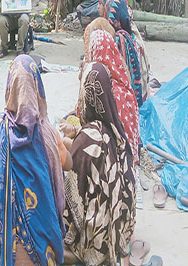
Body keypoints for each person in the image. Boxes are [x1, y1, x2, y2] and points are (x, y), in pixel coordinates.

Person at [0, 55, 66, 266]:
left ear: (10, 87)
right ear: (37, 87)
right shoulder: (47, 133)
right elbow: (59, 179)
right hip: (43, 251)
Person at [63, 62, 136, 266]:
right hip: (120, 233)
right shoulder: (118, 133)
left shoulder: (86, 140)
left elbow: (71, 204)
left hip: (96, 244)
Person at [74, 28, 141, 165]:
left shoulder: (102, 88)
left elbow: (85, 119)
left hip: (115, 162)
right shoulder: (122, 80)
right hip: (130, 156)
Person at [104, 0, 144, 108]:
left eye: (100, 5)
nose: (97, 7)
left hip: (123, 103)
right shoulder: (129, 36)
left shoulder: (118, 40)